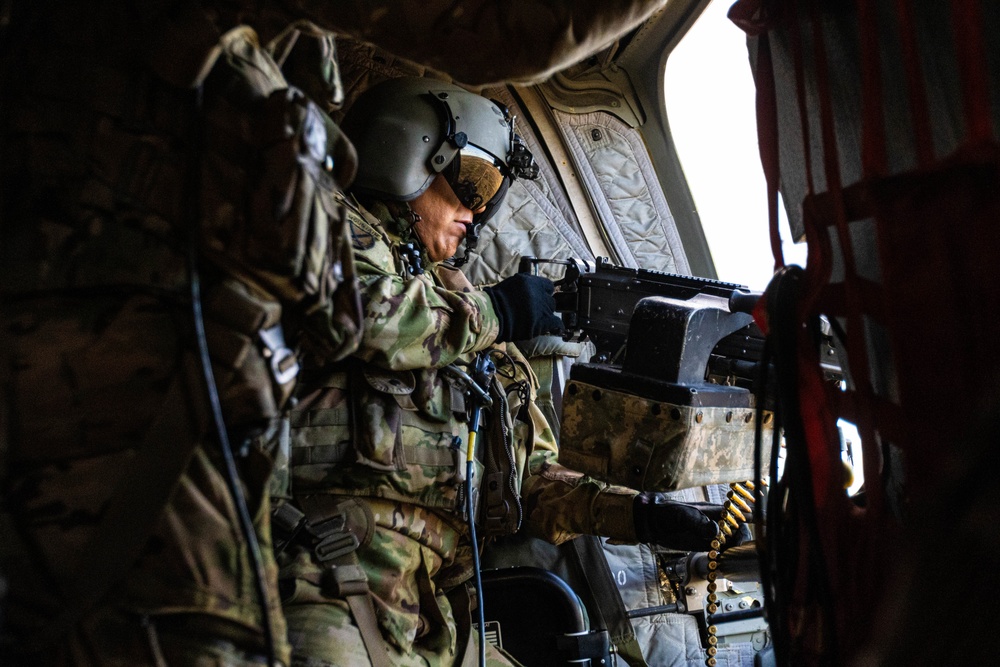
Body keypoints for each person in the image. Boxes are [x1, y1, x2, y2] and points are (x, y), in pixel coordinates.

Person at [274, 76, 728, 667]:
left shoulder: (470, 319)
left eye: (491, 193)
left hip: (433, 609)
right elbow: (355, 313)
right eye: (473, 181)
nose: (480, 209)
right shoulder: (325, 225)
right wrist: (499, 311)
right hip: (322, 570)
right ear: (405, 151)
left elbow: (532, 482)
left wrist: (638, 513)